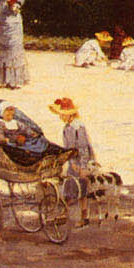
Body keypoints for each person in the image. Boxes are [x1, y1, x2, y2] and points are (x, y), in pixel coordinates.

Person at [49, 96, 100, 225]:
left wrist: (82, 166)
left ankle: (84, 217)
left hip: (82, 162)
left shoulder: (78, 127)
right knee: (69, 186)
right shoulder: (67, 128)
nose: (61, 117)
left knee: (82, 190)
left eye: (63, 114)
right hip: (73, 161)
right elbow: (68, 148)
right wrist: (71, 162)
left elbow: (83, 148)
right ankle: (64, 214)